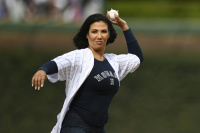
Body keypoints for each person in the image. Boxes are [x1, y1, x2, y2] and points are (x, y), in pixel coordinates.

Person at [31, 12, 143, 133]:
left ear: (109, 34)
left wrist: (124, 26)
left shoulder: (113, 61)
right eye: (94, 31)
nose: (99, 36)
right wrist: (42, 70)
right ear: (87, 35)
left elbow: (136, 58)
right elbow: (57, 63)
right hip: (77, 125)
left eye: (103, 31)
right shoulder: (81, 56)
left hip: (99, 128)